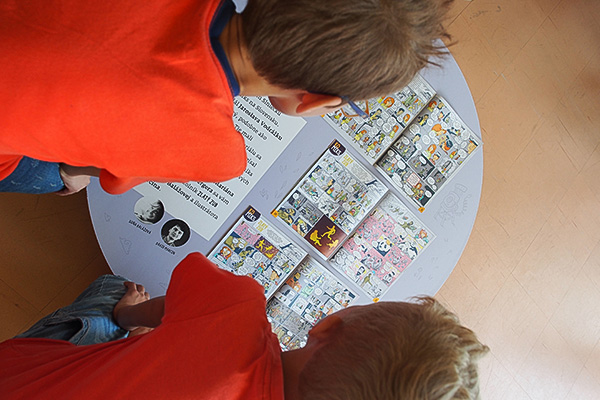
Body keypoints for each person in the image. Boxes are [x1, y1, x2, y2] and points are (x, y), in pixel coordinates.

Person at [0, 0, 454, 195]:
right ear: (315, 102)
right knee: (66, 176)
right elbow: (105, 175)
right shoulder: (218, 155)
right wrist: (73, 171)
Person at [0, 252, 488, 399]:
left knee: (114, 291)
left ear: (327, 326)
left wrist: (129, 318)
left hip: (18, 379)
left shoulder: (235, 310)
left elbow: (164, 307)